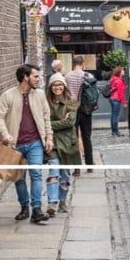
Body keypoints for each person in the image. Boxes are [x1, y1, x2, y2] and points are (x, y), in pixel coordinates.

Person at [0, 64, 54, 224]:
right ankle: (24, 207)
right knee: (19, 178)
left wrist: (49, 137)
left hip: (35, 143)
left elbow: (47, 116)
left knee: (36, 175)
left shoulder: (39, 95)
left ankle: (37, 210)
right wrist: (5, 134)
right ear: (25, 77)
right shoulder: (8, 95)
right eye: (35, 76)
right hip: (16, 145)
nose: (38, 79)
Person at [44, 73, 80, 216]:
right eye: (54, 85)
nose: (57, 87)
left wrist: (50, 124)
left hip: (67, 143)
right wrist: (56, 124)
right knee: (54, 170)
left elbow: (70, 122)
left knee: (64, 174)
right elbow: (42, 122)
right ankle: (52, 202)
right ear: (50, 87)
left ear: (64, 86)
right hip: (51, 142)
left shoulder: (71, 102)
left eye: (60, 84)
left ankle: (62, 200)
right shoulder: (46, 103)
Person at [64, 55, 95, 167]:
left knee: (74, 136)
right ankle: (89, 163)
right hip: (86, 109)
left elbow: (65, 93)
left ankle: (76, 165)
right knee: (87, 136)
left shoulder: (67, 76)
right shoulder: (88, 75)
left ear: (73, 64)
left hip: (72, 109)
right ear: (83, 64)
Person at [108, 65, 127, 138]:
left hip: (112, 98)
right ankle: (116, 131)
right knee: (115, 116)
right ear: (119, 72)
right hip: (116, 99)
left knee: (113, 115)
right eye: (122, 70)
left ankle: (113, 131)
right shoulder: (119, 80)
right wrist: (124, 102)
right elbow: (121, 93)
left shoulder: (113, 79)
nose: (124, 71)